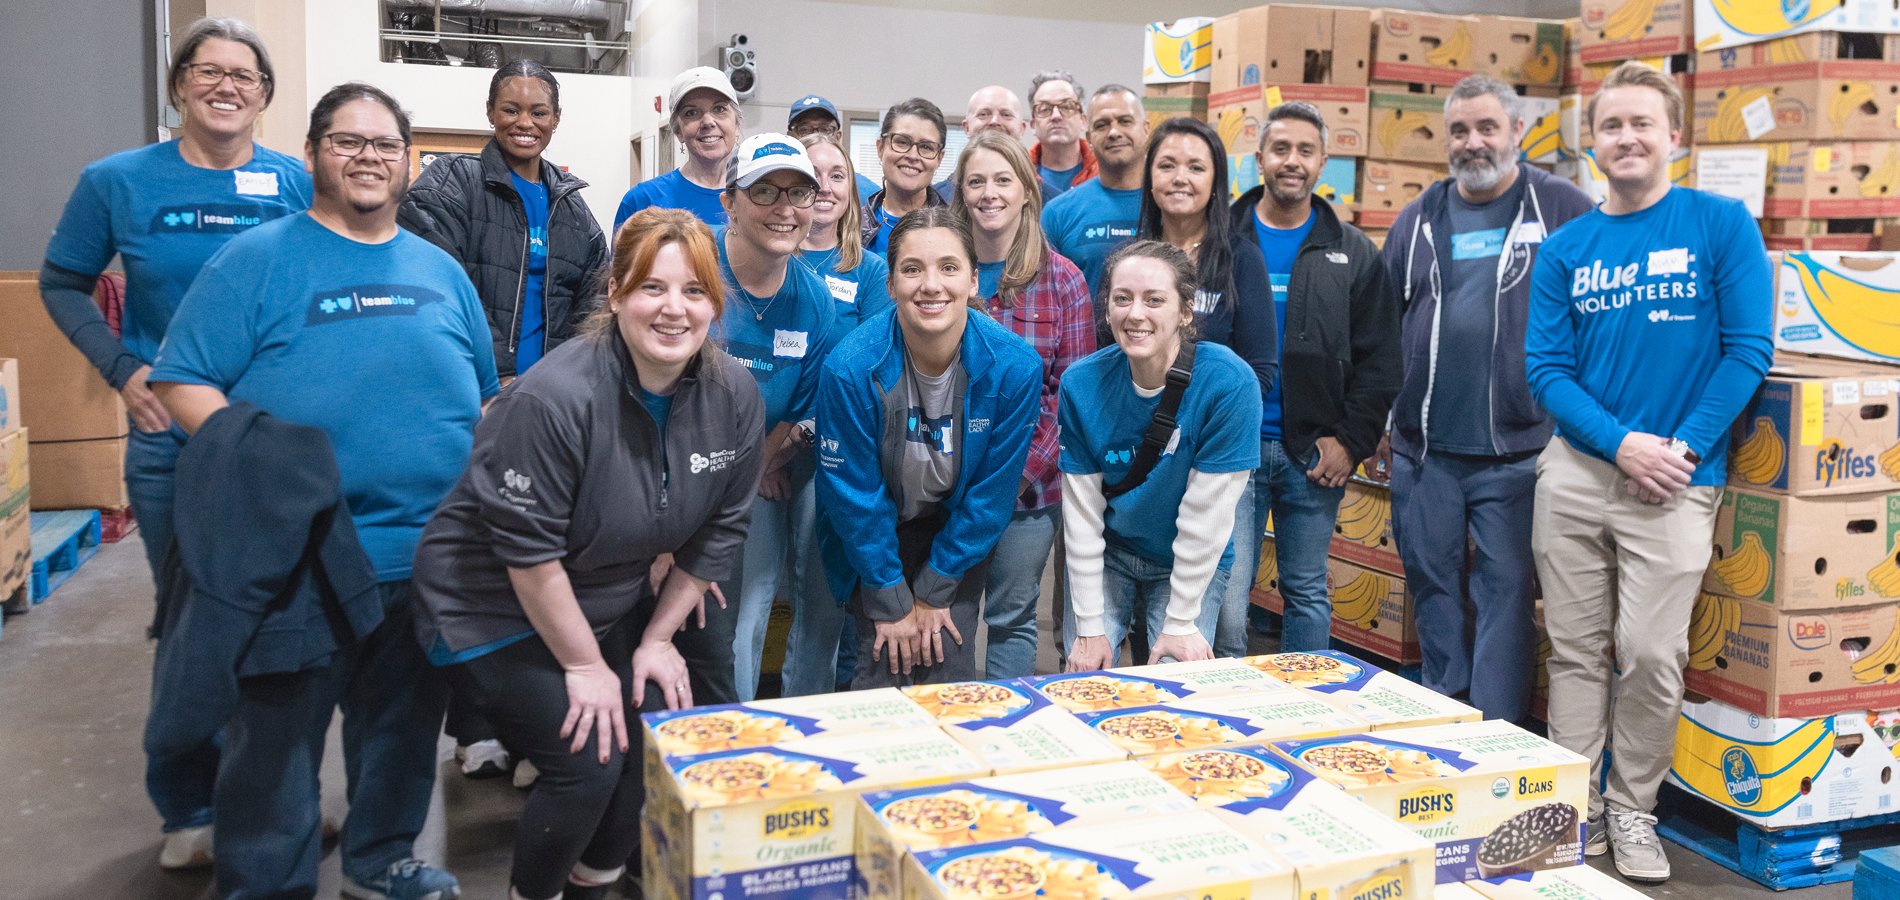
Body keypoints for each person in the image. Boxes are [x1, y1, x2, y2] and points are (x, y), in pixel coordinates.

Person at [149, 82, 487, 900]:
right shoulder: (256, 261)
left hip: (422, 554)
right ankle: (267, 881)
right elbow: (183, 380)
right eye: (348, 141)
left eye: (385, 145)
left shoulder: (440, 270)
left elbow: (481, 395)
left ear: (408, 163)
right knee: (274, 741)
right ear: (310, 155)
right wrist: (261, 467)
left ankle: (380, 861)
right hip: (296, 557)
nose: (369, 158)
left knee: (404, 729)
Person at [411, 209, 764, 900]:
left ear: (714, 306)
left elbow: (721, 528)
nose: (674, 309)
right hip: (488, 607)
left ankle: (594, 882)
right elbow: (528, 555)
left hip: (604, 591)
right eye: (652, 288)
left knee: (659, 730)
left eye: (694, 292)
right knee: (591, 758)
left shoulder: (733, 395)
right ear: (614, 295)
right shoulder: (555, 397)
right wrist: (583, 664)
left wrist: (658, 637)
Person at [37, 16, 311, 869]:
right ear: (178, 84)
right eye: (208, 71)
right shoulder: (118, 182)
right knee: (195, 621)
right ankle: (190, 805)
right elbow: (62, 282)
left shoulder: (295, 183)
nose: (226, 86)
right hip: (172, 443)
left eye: (245, 75)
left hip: (272, 442)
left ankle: (268, 802)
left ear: (265, 95)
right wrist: (123, 370)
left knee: (284, 624)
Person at [1526, 61, 1771, 884]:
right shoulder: (1566, 250)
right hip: (1577, 473)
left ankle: (1633, 808)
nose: (1625, 138)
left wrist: (1682, 449)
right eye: (1609, 126)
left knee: (1653, 652)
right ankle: (1574, 809)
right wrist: (1621, 442)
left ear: (1675, 137)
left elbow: (1749, 353)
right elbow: (1549, 372)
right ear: (1590, 144)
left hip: (1678, 477)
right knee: (1572, 649)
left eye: (1641, 124)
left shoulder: (1720, 223)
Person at [1377, 75, 1594, 724]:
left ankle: (1499, 731)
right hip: (1425, 452)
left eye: (1487, 128)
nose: (1473, 143)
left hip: (1521, 452)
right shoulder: (1417, 220)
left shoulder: (1563, 209)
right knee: (1434, 588)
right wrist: (1385, 420)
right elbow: (1383, 326)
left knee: (1506, 595)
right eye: (1460, 131)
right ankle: (1449, 718)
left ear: (1518, 134)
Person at [816, 207, 1042, 686]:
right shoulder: (850, 368)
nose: (931, 285)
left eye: (949, 267)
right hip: (878, 527)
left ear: (974, 281)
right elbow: (853, 496)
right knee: (880, 663)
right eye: (912, 269)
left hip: (957, 529)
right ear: (892, 283)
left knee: (947, 667)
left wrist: (933, 591)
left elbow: (990, 497)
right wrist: (891, 598)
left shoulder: (1014, 367)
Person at [1221, 101, 1400, 654]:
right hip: (1232, 449)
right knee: (1228, 592)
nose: (1291, 161)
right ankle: (1223, 710)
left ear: (1323, 162)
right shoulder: (1224, 238)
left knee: (1305, 591)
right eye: (1280, 149)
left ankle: (1305, 711)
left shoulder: (1354, 252)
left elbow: (1381, 360)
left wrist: (1352, 441)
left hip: (1314, 455)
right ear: (1259, 160)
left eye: (1305, 150)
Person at [1059, 241, 1262, 670]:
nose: (1135, 314)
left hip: (1186, 558)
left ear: (1185, 311)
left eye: (1155, 300)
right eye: (1122, 298)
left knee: (1177, 680)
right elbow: (1081, 516)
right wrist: (1090, 627)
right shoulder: (1081, 384)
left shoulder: (1228, 383)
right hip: (1111, 550)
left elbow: (1204, 520)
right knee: (1083, 675)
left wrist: (1181, 620)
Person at [947, 130, 1095, 679]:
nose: (990, 193)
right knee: (948, 616)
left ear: (1028, 191)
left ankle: (1002, 733)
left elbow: (1071, 397)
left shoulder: (1064, 281)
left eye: (1003, 180)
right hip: (943, 486)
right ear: (959, 192)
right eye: (976, 181)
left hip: (1028, 493)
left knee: (1011, 619)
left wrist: (1011, 476)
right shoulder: (945, 271)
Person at [1135, 115, 1282, 658]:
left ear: (1215, 181)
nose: (1181, 177)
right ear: (1149, 177)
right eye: (1167, 164)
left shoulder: (1241, 259)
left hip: (1219, 464)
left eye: (1196, 166)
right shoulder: (1134, 260)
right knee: (1146, 608)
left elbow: (1261, 369)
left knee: (1225, 622)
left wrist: (1203, 432)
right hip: (1143, 460)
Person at [714, 134, 841, 702]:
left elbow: (805, 406)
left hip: (765, 465)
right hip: (682, 471)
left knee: (754, 598)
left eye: (798, 193)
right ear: (731, 202)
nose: (784, 209)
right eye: (764, 191)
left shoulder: (815, 300)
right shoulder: (697, 270)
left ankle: (742, 732)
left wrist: (763, 460)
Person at [400, 59, 610, 381]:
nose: (525, 123)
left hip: (548, 397)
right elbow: (439, 284)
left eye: (539, 113)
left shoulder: (573, 208)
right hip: (468, 386)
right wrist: (498, 375)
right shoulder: (451, 182)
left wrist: (569, 378)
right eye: (511, 110)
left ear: (555, 119)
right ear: (490, 111)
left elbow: (596, 302)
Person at [1041, 84, 1151, 335]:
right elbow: (1048, 303)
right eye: (1102, 125)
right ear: (1089, 138)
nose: (1114, 132)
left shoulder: (1169, 205)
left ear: (1146, 129)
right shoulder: (1058, 212)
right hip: (1085, 360)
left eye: (1125, 121)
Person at [615, 67, 740, 230]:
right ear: (678, 131)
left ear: (737, 124)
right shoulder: (642, 201)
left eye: (719, 109)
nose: (708, 122)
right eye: (692, 112)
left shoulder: (759, 198)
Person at [930, 86, 1058, 204]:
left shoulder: (1053, 203)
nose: (995, 121)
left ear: (1021, 129)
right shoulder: (935, 200)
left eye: (1006, 115)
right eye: (984, 114)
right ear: (966, 128)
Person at [861, 98, 949, 255]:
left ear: (939, 159)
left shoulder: (956, 230)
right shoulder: (850, 228)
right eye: (902, 142)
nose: (913, 155)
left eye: (926, 147)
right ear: (880, 148)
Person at [788, 94, 880, 200]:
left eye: (825, 129)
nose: (816, 136)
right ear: (790, 137)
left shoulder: (867, 192)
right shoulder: (777, 183)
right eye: (805, 130)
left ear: (837, 137)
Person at [1028, 70, 1096, 199]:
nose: (1056, 116)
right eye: (1045, 109)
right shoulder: (1018, 172)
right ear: (1033, 125)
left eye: (1066, 107)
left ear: (1083, 121)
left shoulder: (1106, 171)